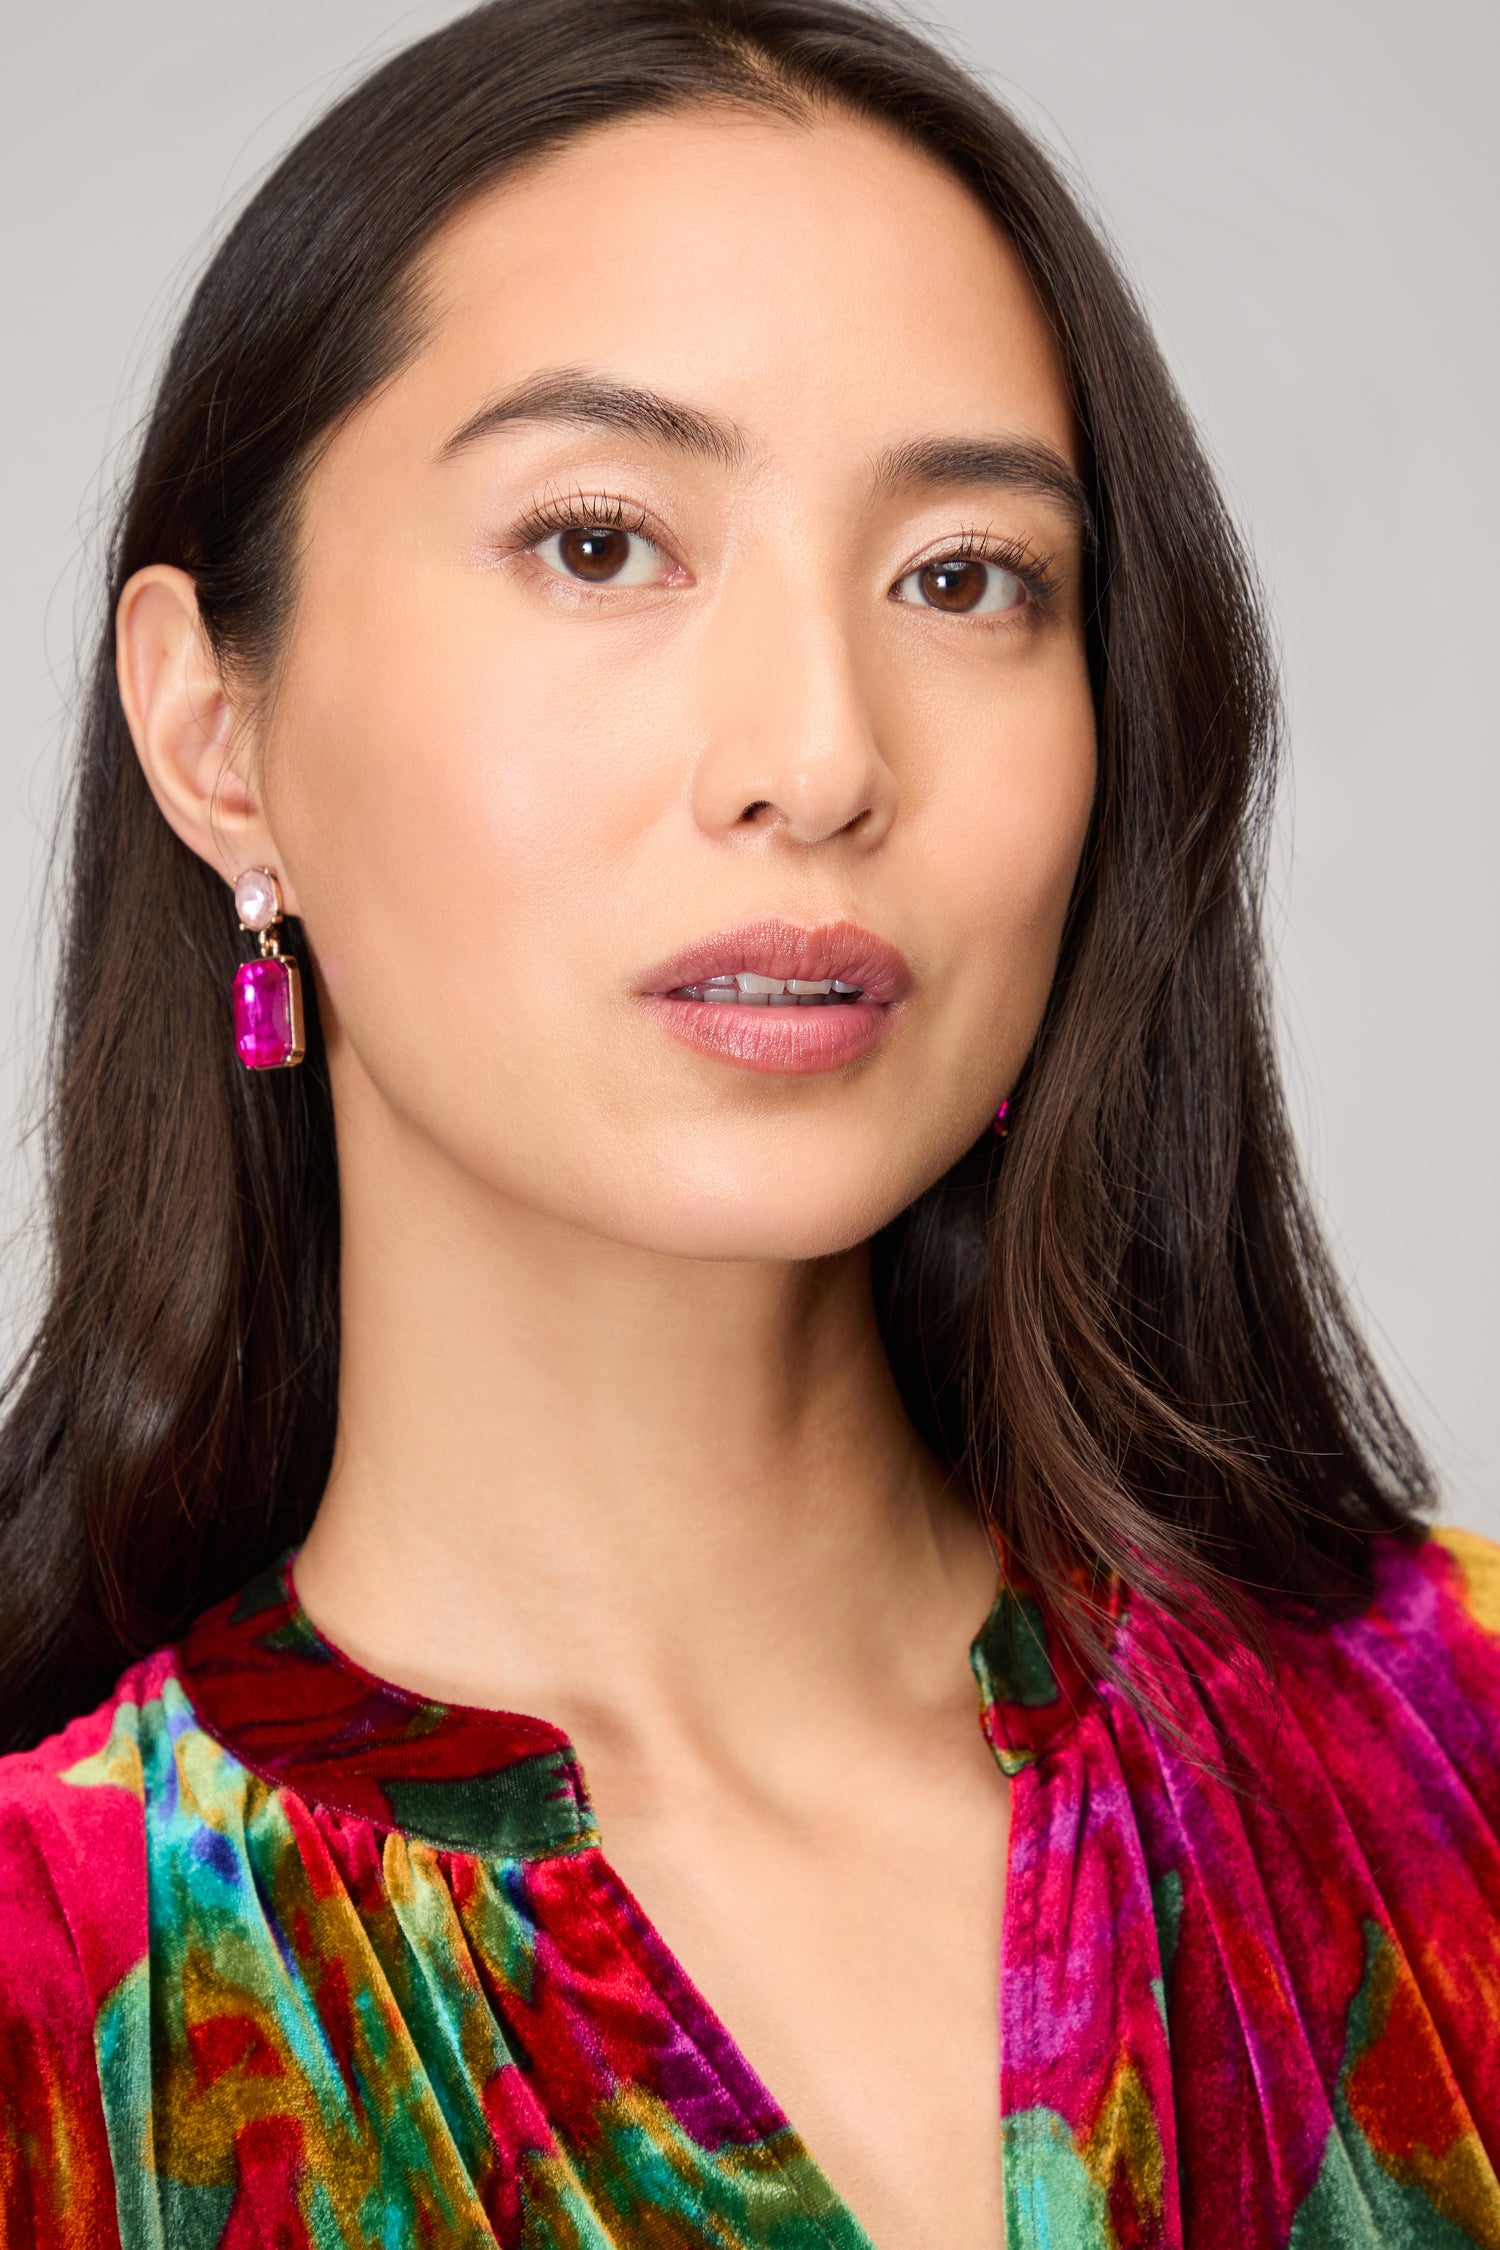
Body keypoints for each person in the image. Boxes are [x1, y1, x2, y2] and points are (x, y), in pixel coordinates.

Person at [0, 1, 1495, 2243]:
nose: (818, 752)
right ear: (217, 735)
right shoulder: (58, 1995)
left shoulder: (1452, 1765)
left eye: (966, 576)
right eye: (601, 544)